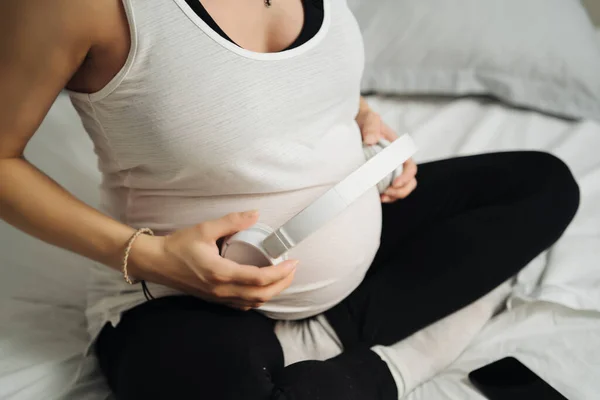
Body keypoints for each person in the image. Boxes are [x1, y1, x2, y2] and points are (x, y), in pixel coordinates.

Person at [0, 0, 580, 399]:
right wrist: (149, 256)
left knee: (543, 185)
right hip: (183, 290)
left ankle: (320, 336)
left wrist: (366, 125)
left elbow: (306, 81)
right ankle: (393, 366)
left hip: (352, 228)